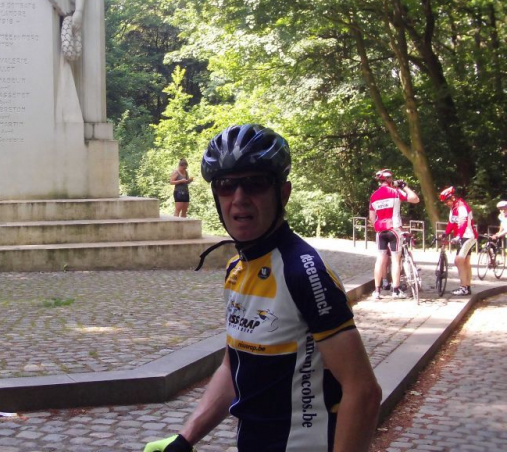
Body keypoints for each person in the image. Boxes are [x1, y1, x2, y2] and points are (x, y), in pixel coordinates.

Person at [144, 124, 381, 452]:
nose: (239, 199)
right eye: (226, 186)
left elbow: (362, 390)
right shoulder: (236, 270)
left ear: (282, 193)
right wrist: (186, 439)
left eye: (254, 184)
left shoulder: (304, 272)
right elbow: (232, 367)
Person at [368, 169, 420, 300]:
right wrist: (405, 187)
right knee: (396, 260)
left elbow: (371, 217)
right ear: (390, 179)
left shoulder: (373, 196)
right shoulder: (395, 192)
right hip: (394, 228)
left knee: (380, 259)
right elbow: (415, 199)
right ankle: (395, 291)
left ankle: (376, 291)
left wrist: (378, 226)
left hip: (380, 231)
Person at [440, 185, 478, 296]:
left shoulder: (461, 206)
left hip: (467, 236)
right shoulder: (453, 208)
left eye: (447, 201)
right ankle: (467, 286)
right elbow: (452, 222)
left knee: (458, 261)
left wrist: (458, 236)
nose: (446, 204)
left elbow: (464, 222)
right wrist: (446, 233)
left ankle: (463, 287)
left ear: (452, 198)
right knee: (465, 262)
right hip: (463, 236)